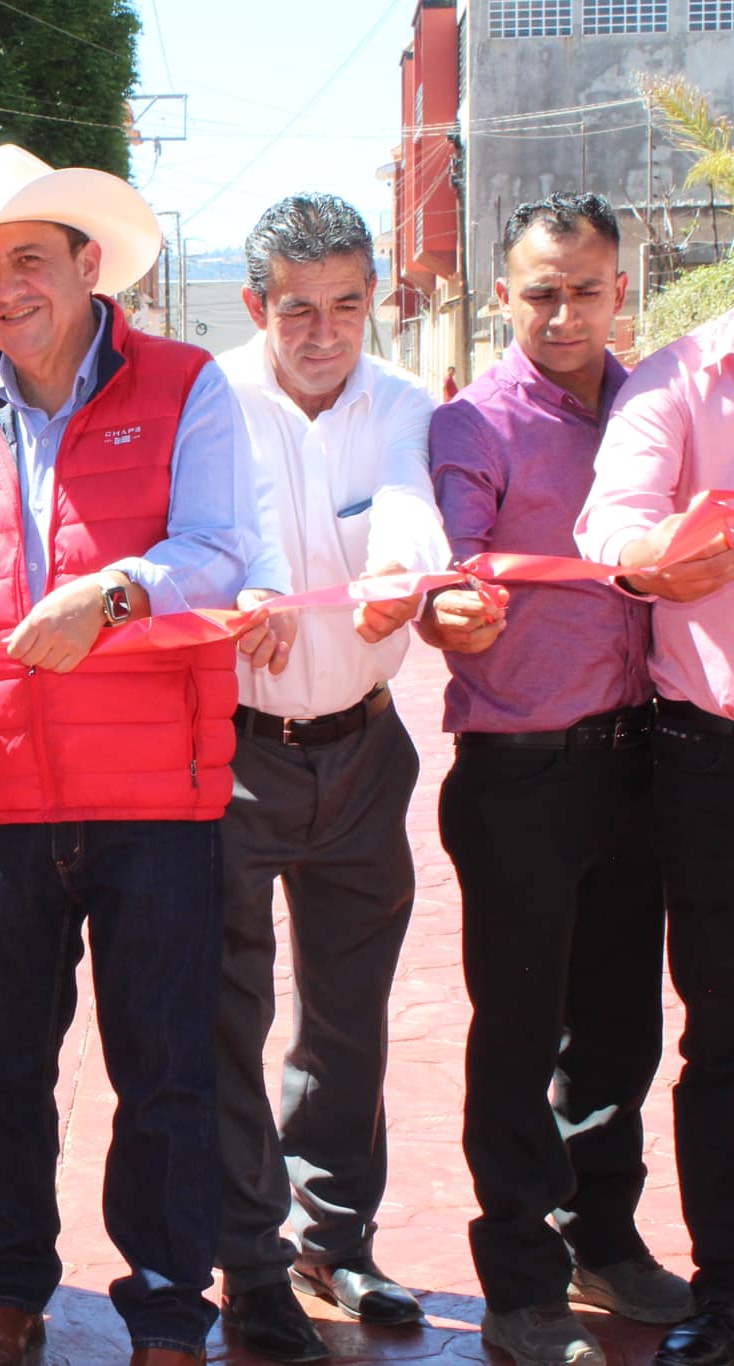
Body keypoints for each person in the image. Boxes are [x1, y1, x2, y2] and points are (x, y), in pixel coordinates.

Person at [0, 143, 260, 1366]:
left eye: (26, 262)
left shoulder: (188, 383)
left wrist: (108, 597)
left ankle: (161, 1309)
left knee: (162, 1072)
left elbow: (215, 550)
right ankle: (4, 1291)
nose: (3, 291)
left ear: (88, 265)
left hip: (156, 789)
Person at [425, 193, 691, 1366]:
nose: (563, 311)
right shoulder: (472, 427)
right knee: (517, 1029)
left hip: (640, 763)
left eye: (584, 288)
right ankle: (519, 1276)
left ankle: (604, 1235)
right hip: (518, 774)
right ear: (500, 296)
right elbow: (450, 570)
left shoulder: (654, 405)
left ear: (617, 288)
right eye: (540, 290)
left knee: (621, 1027)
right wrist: (455, 611)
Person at [207, 193, 445, 1363]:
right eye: (295, 309)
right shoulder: (207, 401)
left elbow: (407, 502)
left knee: (345, 1016)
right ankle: (248, 1260)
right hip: (229, 754)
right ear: (255, 306)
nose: (321, 332)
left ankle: (333, 1237)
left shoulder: (402, 404)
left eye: (345, 305)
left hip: (363, 752)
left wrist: (404, 572)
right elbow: (189, 540)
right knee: (225, 1009)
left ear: (371, 301)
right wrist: (221, 602)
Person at [578, 303, 734, 1366]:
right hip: (712, 750)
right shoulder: (678, 380)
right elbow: (611, 525)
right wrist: (656, 554)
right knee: (724, 1035)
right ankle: (724, 1286)